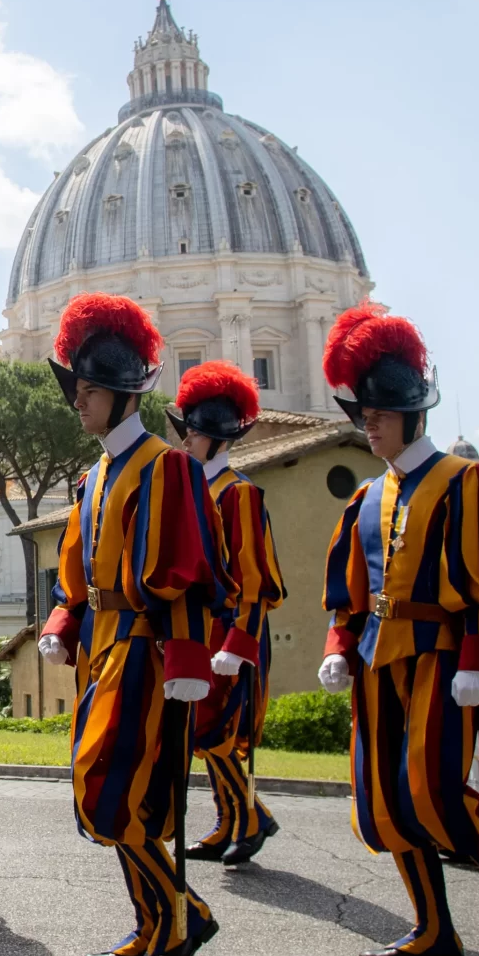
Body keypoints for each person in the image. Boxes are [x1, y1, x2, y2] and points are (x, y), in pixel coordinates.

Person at [317, 304, 479, 956]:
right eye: (365, 415)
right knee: (385, 801)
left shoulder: (473, 483)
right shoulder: (364, 497)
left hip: (445, 658)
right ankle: (431, 930)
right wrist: (339, 643)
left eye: (381, 415)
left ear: (415, 414)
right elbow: (350, 590)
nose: (370, 425)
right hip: (375, 662)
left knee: (434, 795)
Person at [35, 294, 228, 956]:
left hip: (148, 651)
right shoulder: (93, 478)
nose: (77, 401)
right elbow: (75, 576)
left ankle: (181, 909)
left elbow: (182, 572)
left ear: (119, 394)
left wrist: (185, 658)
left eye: (87, 390)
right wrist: (62, 624)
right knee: (124, 798)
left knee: (110, 793)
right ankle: (156, 922)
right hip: (104, 651)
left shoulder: (165, 466)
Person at [169, 360, 284, 869]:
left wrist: (238, 646)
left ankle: (249, 817)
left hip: (229, 635)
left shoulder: (237, 493)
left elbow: (255, 580)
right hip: (198, 633)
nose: (186, 440)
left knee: (218, 734)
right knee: (203, 733)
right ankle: (230, 820)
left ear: (217, 439)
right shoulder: (194, 490)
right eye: (187, 431)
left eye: (194, 433)